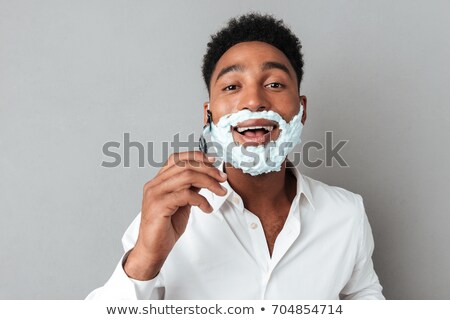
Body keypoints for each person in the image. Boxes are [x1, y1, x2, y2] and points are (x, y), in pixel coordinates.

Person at [87, 13, 384, 300]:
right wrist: (146, 258)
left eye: (275, 84)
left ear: (302, 110)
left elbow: (364, 297)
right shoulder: (168, 213)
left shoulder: (347, 214)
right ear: (209, 115)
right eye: (231, 87)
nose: (254, 101)